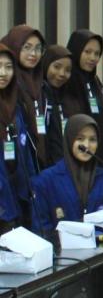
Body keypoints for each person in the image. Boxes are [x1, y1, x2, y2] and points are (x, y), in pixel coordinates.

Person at [31, 113, 103, 235]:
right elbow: (41, 229)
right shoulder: (45, 181)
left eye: (92, 140)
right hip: (61, 246)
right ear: (69, 139)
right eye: (80, 138)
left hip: (101, 245)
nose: (86, 145)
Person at [65, 29, 103, 171]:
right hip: (76, 157)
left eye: (97, 53)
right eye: (87, 52)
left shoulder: (95, 82)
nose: (93, 58)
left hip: (100, 155)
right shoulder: (67, 81)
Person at [0, 44, 41, 228]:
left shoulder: (15, 107)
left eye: (9, 67)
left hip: (18, 194)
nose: (3, 73)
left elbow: (26, 153)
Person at [1, 24, 47, 145]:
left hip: (34, 153)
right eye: (27, 47)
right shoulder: (9, 85)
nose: (33, 53)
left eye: (38, 48)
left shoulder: (42, 85)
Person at [41, 45, 73, 166]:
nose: (62, 74)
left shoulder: (70, 97)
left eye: (67, 70)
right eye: (57, 67)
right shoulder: (39, 96)